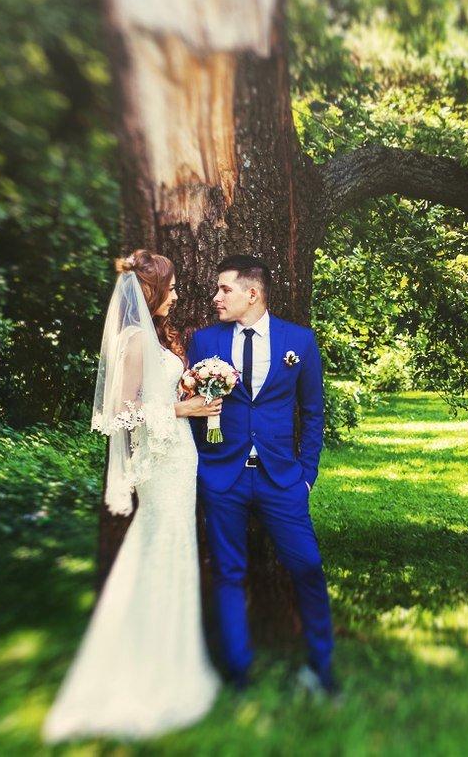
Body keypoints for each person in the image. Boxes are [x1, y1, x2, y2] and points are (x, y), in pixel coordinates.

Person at [43, 250, 223, 742]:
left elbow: (151, 399)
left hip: (178, 457)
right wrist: (184, 408)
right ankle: (145, 669)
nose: (178, 294)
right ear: (152, 290)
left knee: (172, 547)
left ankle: (171, 658)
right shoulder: (136, 339)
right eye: (173, 287)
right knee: (161, 546)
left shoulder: (152, 336)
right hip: (161, 463)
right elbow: (122, 413)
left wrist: (187, 394)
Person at [190, 254, 338, 696]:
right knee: (229, 572)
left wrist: (306, 475)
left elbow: (313, 413)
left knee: (307, 566)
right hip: (224, 478)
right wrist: (205, 466)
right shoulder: (204, 341)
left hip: (282, 480)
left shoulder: (299, 341)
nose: (216, 297)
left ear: (252, 293)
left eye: (225, 289)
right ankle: (239, 672)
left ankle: (322, 668)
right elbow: (192, 410)